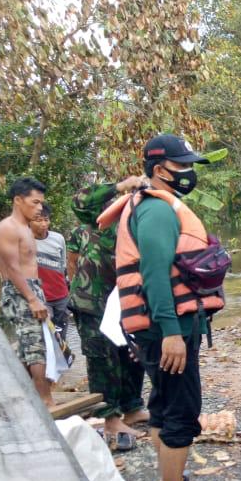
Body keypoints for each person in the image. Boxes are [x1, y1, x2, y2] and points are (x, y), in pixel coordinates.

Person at [97, 134, 225, 481]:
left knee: (163, 406)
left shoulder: (155, 206)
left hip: (162, 327)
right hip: (165, 329)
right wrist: (171, 331)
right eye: (181, 166)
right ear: (158, 170)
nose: (187, 173)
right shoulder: (156, 212)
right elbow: (155, 277)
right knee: (180, 412)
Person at [68, 176, 150, 451]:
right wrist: (119, 186)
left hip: (127, 299)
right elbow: (79, 202)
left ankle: (132, 407)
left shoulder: (145, 220)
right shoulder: (108, 217)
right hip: (93, 300)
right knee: (103, 358)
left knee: (132, 355)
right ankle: (109, 418)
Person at [0, 178, 53, 406]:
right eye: (35, 202)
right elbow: (10, 267)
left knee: (32, 345)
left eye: (41, 203)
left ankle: (27, 400)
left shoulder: (24, 228)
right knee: (34, 345)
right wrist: (31, 298)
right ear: (18, 200)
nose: (39, 207)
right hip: (21, 291)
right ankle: (45, 401)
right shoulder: (8, 227)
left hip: (31, 288)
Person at [31, 203, 71, 339]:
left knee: (62, 336)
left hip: (61, 295)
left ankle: (65, 359)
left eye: (46, 219)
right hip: (41, 298)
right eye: (39, 220)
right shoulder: (24, 241)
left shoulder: (58, 238)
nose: (43, 224)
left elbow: (63, 265)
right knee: (47, 336)